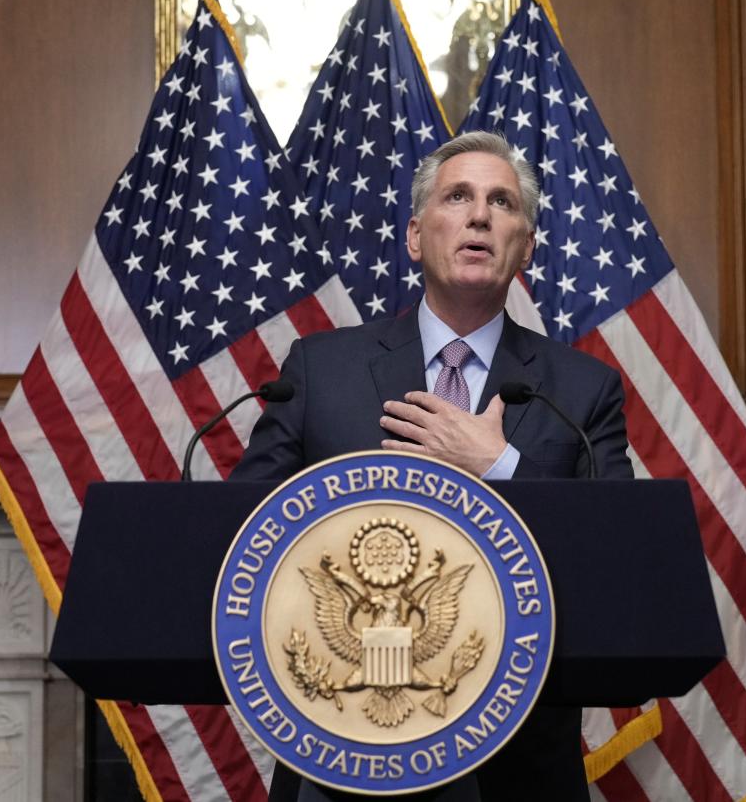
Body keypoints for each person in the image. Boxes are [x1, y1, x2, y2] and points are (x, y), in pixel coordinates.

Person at [231, 130, 633, 801]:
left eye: (502, 203)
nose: (480, 216)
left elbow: (615, 562)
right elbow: (243, 536)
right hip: (341, 752)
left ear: (526, 245)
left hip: (514, 769)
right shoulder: (321, 370)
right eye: (459, 197)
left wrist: (499, 464)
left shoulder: (582, 390)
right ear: (416, 236)